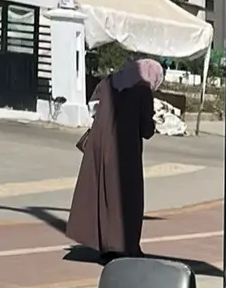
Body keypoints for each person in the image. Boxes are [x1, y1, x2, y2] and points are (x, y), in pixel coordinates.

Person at [66, 55, 165, 259]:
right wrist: (155, 123)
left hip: (99, 147)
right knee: (126, 198)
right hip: (124, 150)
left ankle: (104, 245)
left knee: (103, 194)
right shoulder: (142, 90)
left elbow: (92, 107)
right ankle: (124, 247)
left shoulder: (109, 82)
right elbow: (146, 129)